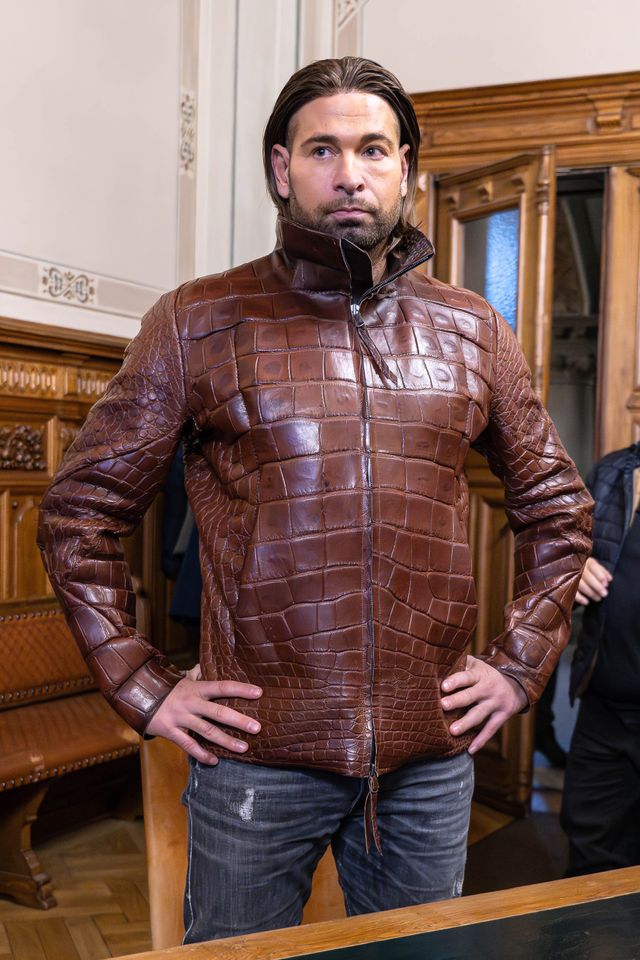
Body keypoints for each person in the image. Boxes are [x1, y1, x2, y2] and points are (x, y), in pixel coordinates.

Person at [38, 57, 592, 943]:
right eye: (322, 149)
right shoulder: (198, 321)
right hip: (256, 756)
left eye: (372, 149)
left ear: (406, 167)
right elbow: (80, 513)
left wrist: (518, 663)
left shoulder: (472, 329)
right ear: (280, 169)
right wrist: (143, 685)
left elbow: (558, 510)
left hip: (426, 760)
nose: (349, 173)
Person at [561, 442, 640, 875]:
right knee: (590, 867)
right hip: (603, 715)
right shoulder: (612, 472)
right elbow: (564, 555)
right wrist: (577, 568)